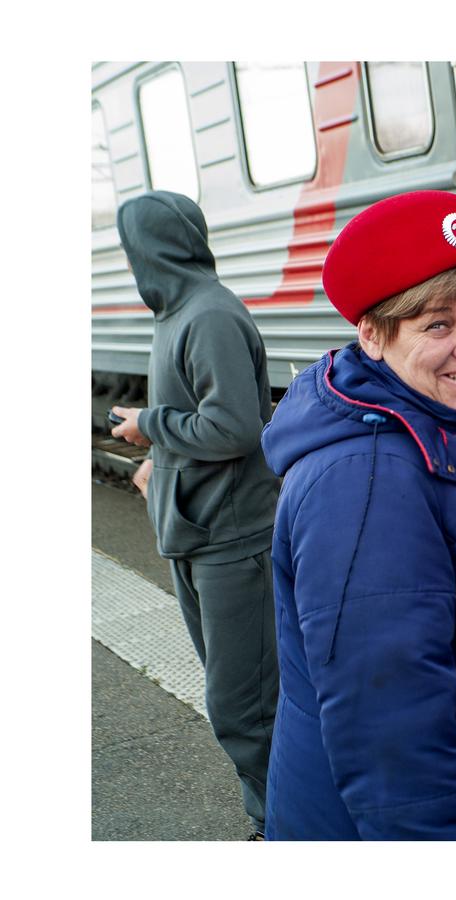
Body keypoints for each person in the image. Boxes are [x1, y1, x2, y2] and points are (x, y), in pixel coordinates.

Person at [260, 190, 456, 840]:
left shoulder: (450, 424)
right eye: (438, 325)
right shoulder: (365, 479)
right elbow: (392, 736)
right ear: (373, 335)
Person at [111, 190, 280, 840]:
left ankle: (284, 828)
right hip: (198, 532)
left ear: (156, 249)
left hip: (234, 542)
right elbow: (199, 425)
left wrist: (150, 425)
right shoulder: (178, 314)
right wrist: (159, 459)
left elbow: (234, 428)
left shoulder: (207, 315)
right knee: (236, 698)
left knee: (246, 707)